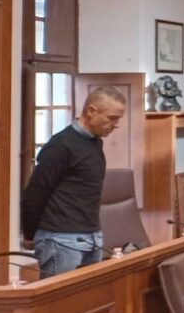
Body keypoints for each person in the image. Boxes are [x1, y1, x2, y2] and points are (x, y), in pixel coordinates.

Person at [20, 86, 128, 279]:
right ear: (91, 110)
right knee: (58, 297)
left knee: (88, 296)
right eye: (112, 118)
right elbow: (35, 192)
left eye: (118, 119)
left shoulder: (95, 142)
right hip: (60, 238)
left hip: (91, 235)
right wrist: (29, 234)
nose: (115, 125)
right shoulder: (61, 145)